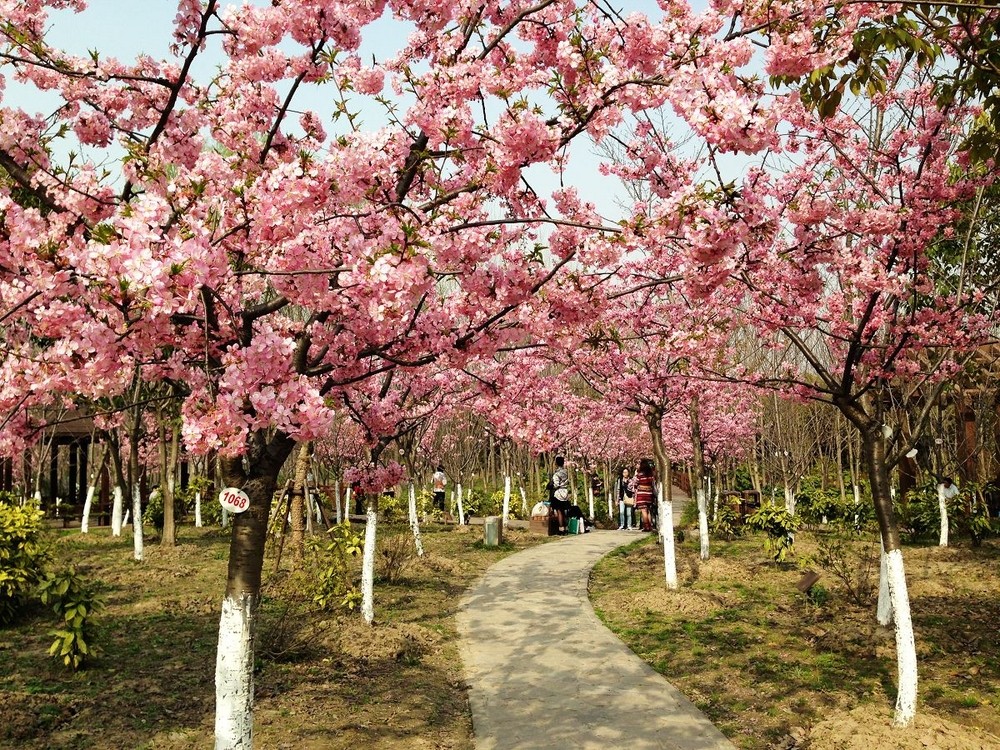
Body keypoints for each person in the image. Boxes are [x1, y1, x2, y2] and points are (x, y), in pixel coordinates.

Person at [633, 458, 658, 532]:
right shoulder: (651, 475)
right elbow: (653, 483)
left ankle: (646, 527)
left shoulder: (639, 475)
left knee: (644, 511)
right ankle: (650, 526)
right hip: (649, 494)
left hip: (641, 494)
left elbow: (634, 483)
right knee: (648, 511)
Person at [549, 455, 571, 535]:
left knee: (559, 511)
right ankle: (566, 528)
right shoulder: (565, 472)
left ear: (556, 463)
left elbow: (556, 485)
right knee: (564, 511)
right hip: (565, 492)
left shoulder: (557, 474)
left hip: (558, 493)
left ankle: (561, 529)